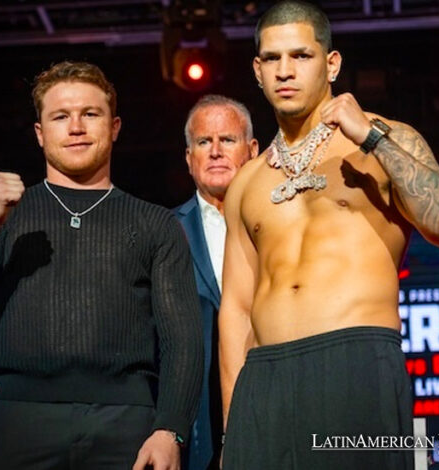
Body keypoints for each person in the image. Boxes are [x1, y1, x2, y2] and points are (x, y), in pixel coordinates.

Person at [218, 2, 439, 469]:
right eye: (272, 59)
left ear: (331, 63)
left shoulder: (386, 140)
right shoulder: (247, 182)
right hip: (266, 380)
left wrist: (370, 137)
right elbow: (235, 310)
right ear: (257, 70)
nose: (285, 71)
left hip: (355, 364)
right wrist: (235, 427)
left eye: (301, 55)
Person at [0, 61, 203, 470]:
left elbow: (182, 340)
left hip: (126, 425)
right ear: (40, 134)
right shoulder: (2, 215)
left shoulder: (155, 224)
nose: (76, 127)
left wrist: (171, 429)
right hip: (19, 423)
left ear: (114, 127)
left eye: (90, 114)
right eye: (60, 116)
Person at [173, 95, 258, 470]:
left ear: (252, 150)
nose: (216, 151)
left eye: (228, 139)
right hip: (197, 428)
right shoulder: (164, 233)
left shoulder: (283, 227)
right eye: (204, 142)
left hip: (275, 403)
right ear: (189, 157)